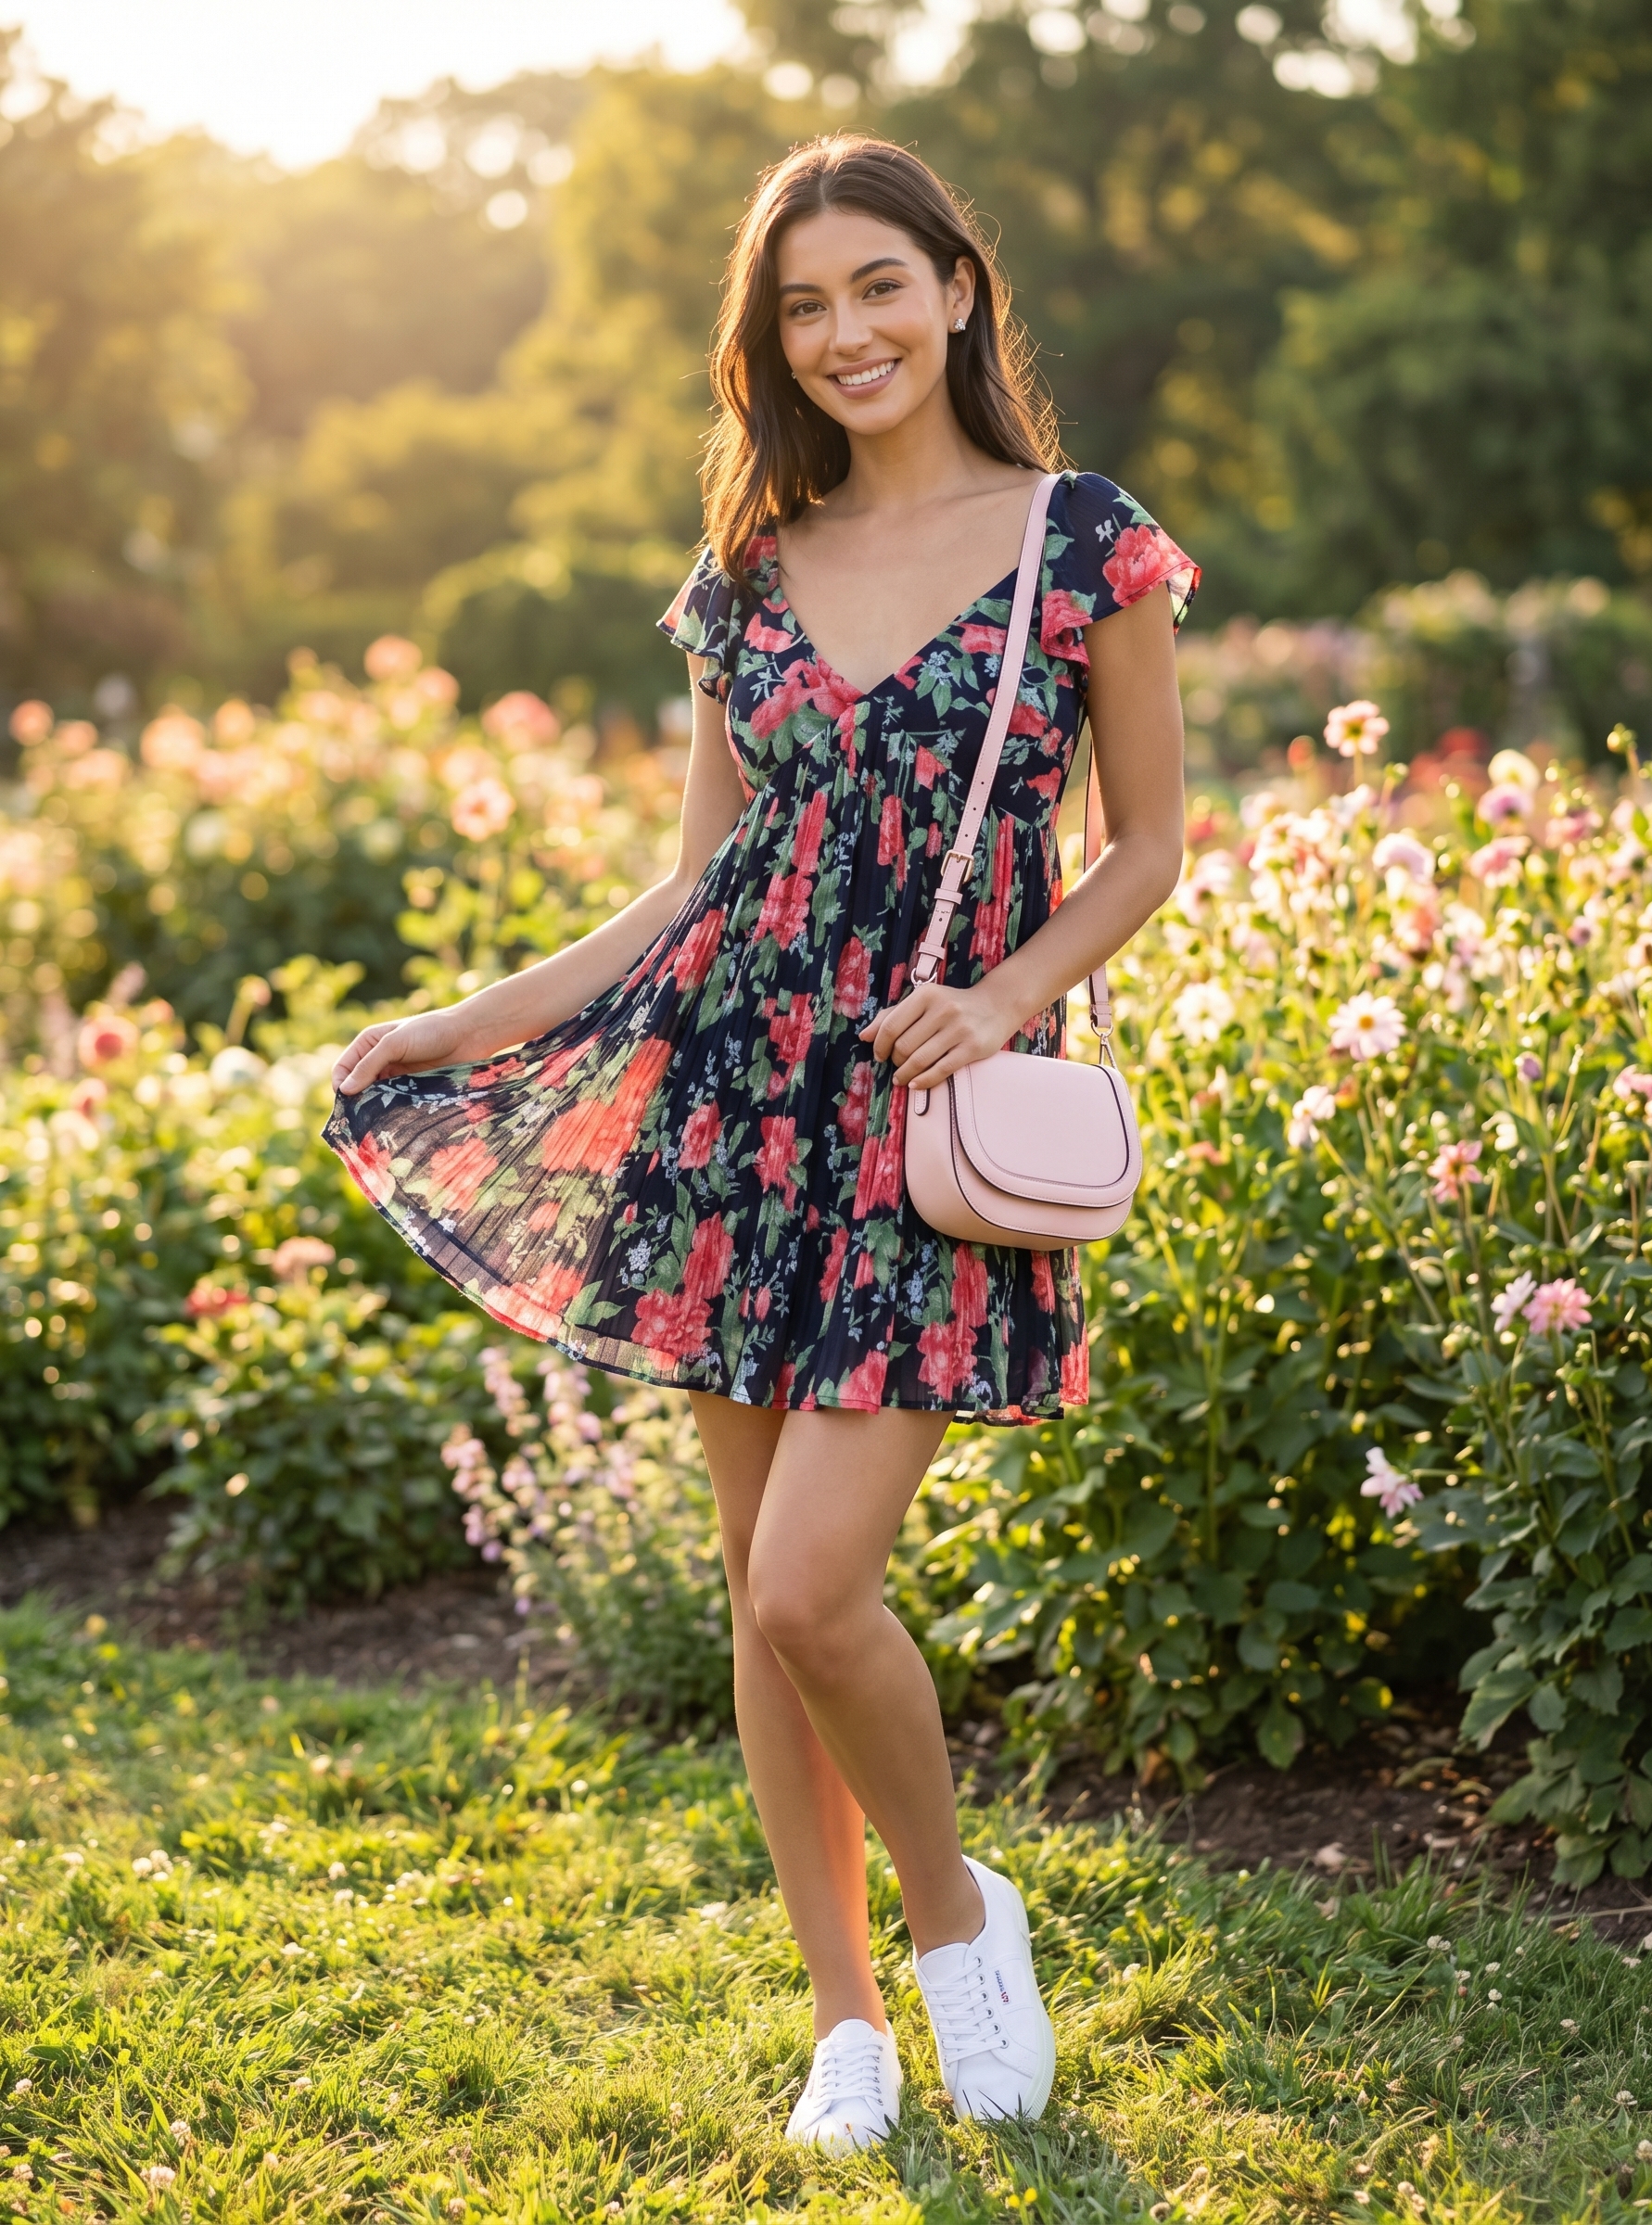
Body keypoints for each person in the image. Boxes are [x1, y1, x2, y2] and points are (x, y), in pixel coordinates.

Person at [325, 134, 1191, 2152]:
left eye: (876, 286)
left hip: (915, 1118)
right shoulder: (745, 570)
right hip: (725, 1111)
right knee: (750, 1597)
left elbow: (1144, 844)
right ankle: (844, 2024)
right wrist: (462, 1021)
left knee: (816, 1588)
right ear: (766, 344)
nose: (844, 332)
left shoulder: (1082, 541)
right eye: (801, 308)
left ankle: (964, 1920)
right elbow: (692, 888)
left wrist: (997, 991)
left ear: (955, 290)